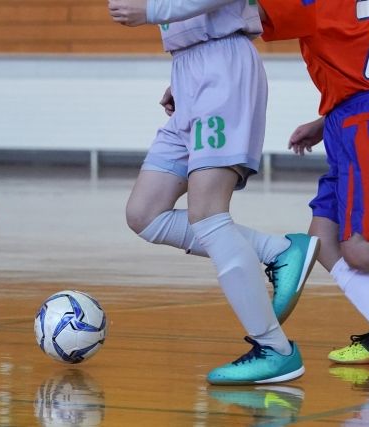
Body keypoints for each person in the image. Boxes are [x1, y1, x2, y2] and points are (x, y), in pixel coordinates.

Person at [110, 0, 369, 365]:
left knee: (365, 249)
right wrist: (325, 122)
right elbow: (361, 75)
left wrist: (158, 18)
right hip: (353, 118)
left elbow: (245, 16)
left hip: (364, 126)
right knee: (323, 241)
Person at [107, 0, 320, 385]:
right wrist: (185, 71)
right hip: (192, 70)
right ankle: (279, 251)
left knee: (206, 212)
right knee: (144, 214)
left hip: (222, 70)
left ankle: (275, 349)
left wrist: (152, 11)